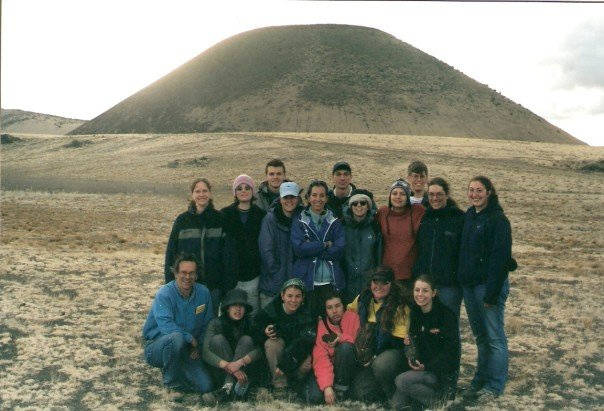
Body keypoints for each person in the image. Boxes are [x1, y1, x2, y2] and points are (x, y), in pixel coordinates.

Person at [458, 176, 512, 402]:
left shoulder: (498, 220)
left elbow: (500, 259)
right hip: (470, 286)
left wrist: (491, 293)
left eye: (479, 190)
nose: (474, 195)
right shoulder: (471, 215)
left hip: (488, 287)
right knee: (480, 336)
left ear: (489, 191)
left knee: (494, 337)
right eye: (471, 190)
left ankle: (494, 385)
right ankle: (480, 379)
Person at [143, 254, 214, 401]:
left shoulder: (204, 293)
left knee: (206, 385)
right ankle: (171, 386)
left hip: (187, 350)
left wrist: (199, 345)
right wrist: (190, 339)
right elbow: (166, 327)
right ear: (175, 273)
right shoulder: (164, 294)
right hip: (158, 346)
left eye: (191, 273)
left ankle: (177, 371)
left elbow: (209, 324)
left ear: (196, 275)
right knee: (176, 338)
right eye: (183, 272)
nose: (187, 277)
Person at [164, 178, 232, 316]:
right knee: (188, 322)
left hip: (214, 286)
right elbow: (171, 253)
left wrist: (226, 285)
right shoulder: (182, 221)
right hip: (187, 285)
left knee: (210, 324)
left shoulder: (220, 219)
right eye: (198, 191)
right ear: (192, 194)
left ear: (210, 193)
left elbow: (228, 255)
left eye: (205, 191)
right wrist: (170, 283)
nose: (201, 194)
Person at [391, 275, 460, 410]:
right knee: (396, 405)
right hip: (421, 370)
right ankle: (422, 402)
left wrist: (427, 366)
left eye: (425, 290)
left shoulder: (446, 315)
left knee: (401, 381)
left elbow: (451, 352)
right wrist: (409, 345)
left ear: (434, 293)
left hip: (438, 372)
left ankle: (441, 402)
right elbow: (415, 346)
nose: (420, 294)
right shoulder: (415, 312)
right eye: (417, 290)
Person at [347, 266, 412, 402]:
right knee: (362, 393)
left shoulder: (400, 305)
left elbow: (397, 342)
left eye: (385, 283)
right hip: (369, 355)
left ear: (391, 284)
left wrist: (373, 356)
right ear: (371, 283)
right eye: (376, 282)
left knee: (381, 364)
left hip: (392, 354)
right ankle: (381, 387)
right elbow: (348, 313)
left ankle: (394, 392)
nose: (379, 286)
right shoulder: (363, 299)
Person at [291, 180, 346, 318]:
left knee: (331, 322)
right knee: (309, 322)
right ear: (308, 198)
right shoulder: (299, 220)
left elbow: (339, 250)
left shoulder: (335, 220)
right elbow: (299, 249)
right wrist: (325, 244)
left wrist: (312, 247)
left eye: (322, 195)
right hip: (308, 281)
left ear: (327, 198)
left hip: (330, 281)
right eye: (314, 195)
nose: (318, 199)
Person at [412, 177, 465, 320]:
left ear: (447, 195)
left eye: (439, 194)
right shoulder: (424, 218)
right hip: (425, 284)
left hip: (449, 285)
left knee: (449, 327)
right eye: (431, 194)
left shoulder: (459, 218)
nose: (435, 198)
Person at [253, 278, 316, 396]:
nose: (293, 300)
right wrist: (264, 331)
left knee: (308, 361)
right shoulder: (271, 310)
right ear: (282, 296)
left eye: (297, 296)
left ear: (303, 298)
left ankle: (296, 383)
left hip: (296, 355)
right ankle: (280, 385)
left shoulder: (307, 313)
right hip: (275, 358)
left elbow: (304, 341)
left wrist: (284, 365)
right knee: (272, 343)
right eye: (290, 296)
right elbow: (254, 329)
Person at [201, 288, 261, 406]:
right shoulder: (215, 323)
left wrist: (239, 363)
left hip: (244, 373)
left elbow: (259, 350)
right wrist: (229, 366)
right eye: (234, 305)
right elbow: (206, 352)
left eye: (241, 306)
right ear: (227, 308)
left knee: (247, 340)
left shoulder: (251, 322)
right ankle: (231, 388)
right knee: (218, 339)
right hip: (221, 372)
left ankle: (227, 390)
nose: (238, 309)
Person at [221, 174, 267, 313]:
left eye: (247, 187)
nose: (243, 191)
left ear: (253, 191)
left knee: (252, 312)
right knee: (231, 313)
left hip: (253, 275)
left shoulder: (261, 215)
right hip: (231, 275)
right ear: (235, 192)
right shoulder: (224, 214)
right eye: (239, 188)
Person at [307, 291, 360, 404]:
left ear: (343, 305)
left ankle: (341, 390)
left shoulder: (353, 318)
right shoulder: (322, 325)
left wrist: (341, 337)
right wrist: (327, 387)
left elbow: (359, 343)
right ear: (325, 310)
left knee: (345, 347)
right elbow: (320, 358)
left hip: (349, 368)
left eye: (337, 306)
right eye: (329, 307)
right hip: (329, 368)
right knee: (315, 398)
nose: (334, 311)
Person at [258, 181, 304, 309]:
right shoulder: (270, 219)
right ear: (280, 199)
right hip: (273, 286)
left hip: (296, 286)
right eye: (285, 197)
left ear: (298, 199)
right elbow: (266, 250)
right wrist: (276, 271)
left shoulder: (303, 218)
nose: (289, 201)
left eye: (292, 197)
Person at [377, 179, 425, 287]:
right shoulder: (383, 212)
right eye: (394, 193)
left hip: (410, 275)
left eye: (402, 194)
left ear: (408, 197)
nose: (398, 197)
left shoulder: (418, 211)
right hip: (387, 274)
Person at [341, 189, 381, 304]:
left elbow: (379, 254)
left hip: (369, 283)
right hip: (348, 283)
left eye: (363, 203)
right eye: (355, 203)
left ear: (368, 206)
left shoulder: (375, 226)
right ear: (350, 206)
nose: (359, 205)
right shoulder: (342, 226)